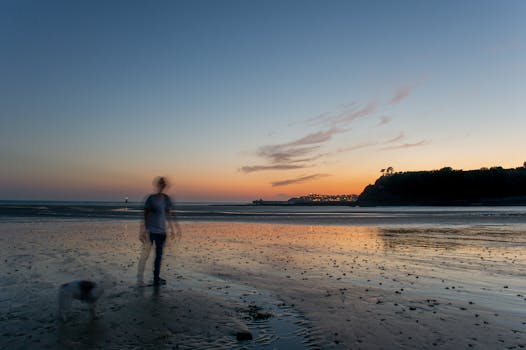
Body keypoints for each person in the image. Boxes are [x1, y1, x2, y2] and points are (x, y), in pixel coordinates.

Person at [137, 176, 181, 286]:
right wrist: (143, 230)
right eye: (160, 184)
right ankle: (140, 278)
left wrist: (175, 228)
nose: (162, 186)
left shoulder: (166, 199)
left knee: (158, 256)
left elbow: (169, 214)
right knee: (145, 254)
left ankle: (156, 278)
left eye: (163, 184)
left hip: (162, 232)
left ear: (165, 186)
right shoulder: (151, 199)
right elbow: (145, 214)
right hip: (151, 231)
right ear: (157, 185)